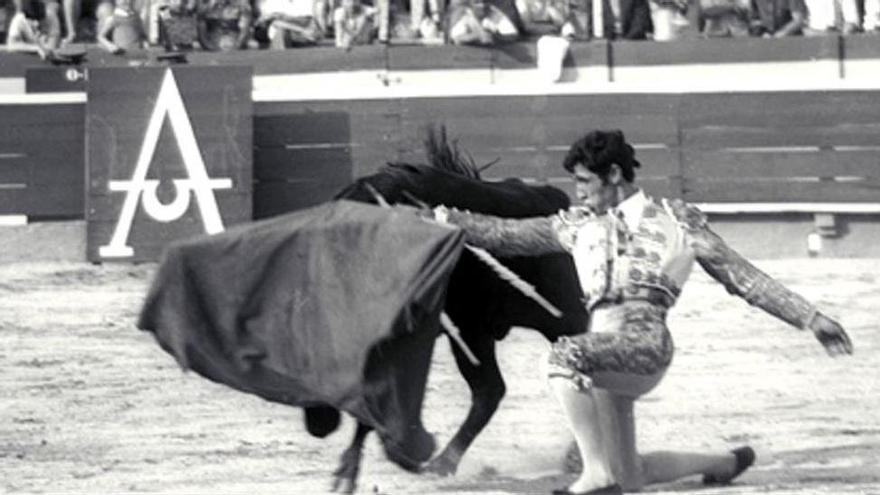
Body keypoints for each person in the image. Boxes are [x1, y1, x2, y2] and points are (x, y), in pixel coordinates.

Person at [429, 129, 853, 495]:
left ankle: (594, 476)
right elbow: (504, 235)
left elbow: (744, 278)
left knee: (563, 355)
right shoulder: (577, 224)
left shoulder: (675, 222)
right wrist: (440, 216)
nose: (578, 192)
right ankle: (722, 463)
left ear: (613, 176)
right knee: (629, 476)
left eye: (584, 182)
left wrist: (810, 318)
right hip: (598, 356)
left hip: (643, 346)